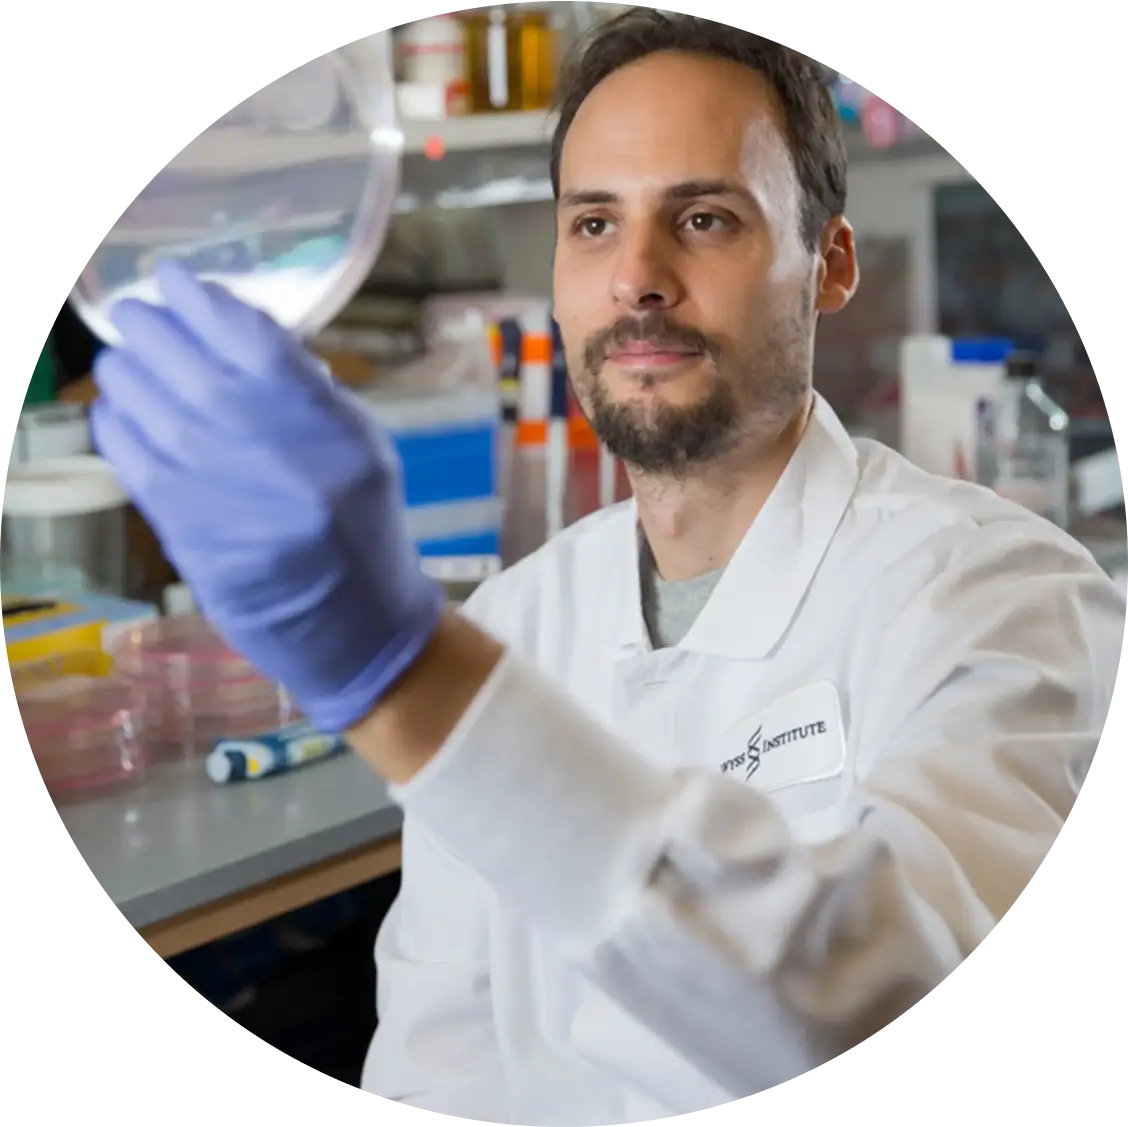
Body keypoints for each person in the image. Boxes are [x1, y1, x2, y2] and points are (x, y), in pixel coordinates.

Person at [89, 11, 1120, 1122]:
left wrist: (410, 684)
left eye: (705, 217)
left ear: (830, 263)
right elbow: (438, 1064)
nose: (637, 277)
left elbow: (887, 989)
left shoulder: (1004, 597)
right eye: (593, 223)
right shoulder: (514, 619)